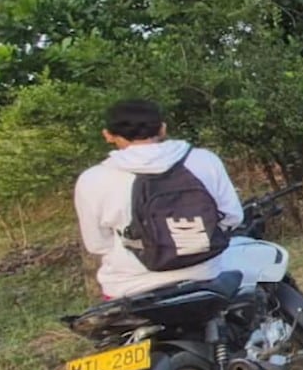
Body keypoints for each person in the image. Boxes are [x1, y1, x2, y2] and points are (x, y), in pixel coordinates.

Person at [74, 100, 287, 299]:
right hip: (203, 274)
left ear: (108, 135)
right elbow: (232, 217)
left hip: (128, 286)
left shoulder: (93, 179)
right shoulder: (203, 160)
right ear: (163, 128)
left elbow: (97, 245)